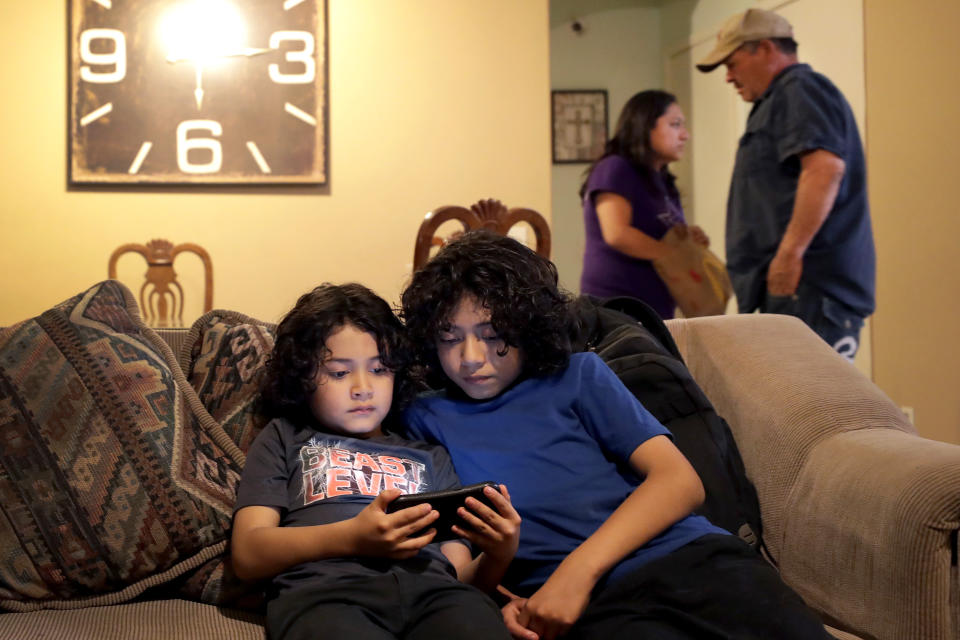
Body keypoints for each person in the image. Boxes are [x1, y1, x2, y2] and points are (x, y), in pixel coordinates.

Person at [401, 230, 833, 640]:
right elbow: (448, 552)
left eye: (492, 335)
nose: (470, 358)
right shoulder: (426, 416)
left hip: (692, 559)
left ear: (527, 326)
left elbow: (679, 481)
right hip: (594, 609)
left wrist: (576, 573)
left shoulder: (577, 376)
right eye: (449, 338)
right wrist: (494, 605)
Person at [231, 283, 520, 640]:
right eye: (339, 372)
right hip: (327, 594)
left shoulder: (430, 455)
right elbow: (247, 553)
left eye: (380, 369)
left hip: (436, 595)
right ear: (302, 376)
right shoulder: (285, 438)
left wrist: (499, 555)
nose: (363, 387)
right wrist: (352, 538)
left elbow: (458, 575)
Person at [696, 8, 876, 360]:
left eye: (732, 63)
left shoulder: (800, 89)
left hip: (810, 289)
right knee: (794, 410)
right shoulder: (777, 100)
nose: (728, 77)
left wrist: (790, 255)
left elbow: (824, 169)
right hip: (794, 292)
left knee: (818, 410)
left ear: (764, 49)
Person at [579, 89, 710, 320]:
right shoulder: (615, 167)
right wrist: (673, 255)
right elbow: (617, 234)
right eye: (675, 124)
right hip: (617, 308)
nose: (685, 135)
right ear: (645, 125)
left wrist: (688, 239)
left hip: (655, 309)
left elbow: (659, 233)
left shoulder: (663, 180)